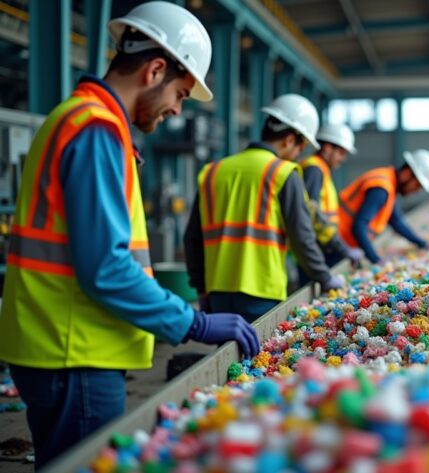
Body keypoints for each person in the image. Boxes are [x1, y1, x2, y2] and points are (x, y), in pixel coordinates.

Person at [0, 3, 260, 468]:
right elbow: (107, 267)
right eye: (180, 93)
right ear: (155, 70)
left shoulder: (73, 117)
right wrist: (194, 323)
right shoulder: (96, 130)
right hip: (76, 348)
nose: (176, 109)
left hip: (56, 342)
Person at [184, 94, 344, 322]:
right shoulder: (284, 173)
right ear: (289, 139)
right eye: (301, 147)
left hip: (217, 291)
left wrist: (200, 287)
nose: (299, 154)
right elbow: (302, 237)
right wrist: (324, 276)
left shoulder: (212, 171)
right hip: (263, 293)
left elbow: (192, 238)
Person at [337, 150, 429, 264]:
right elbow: (359, 226)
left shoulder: (388, 184)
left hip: (344, 244)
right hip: (338, 244)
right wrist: (376, 259)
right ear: (407, 174)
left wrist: (422, 243)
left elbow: (396, 222)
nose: (416, 191)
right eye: (417, 185)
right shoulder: (381, 189)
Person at [297, 123, 365, 284]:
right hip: (316, 249)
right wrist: (342, 247)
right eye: (341, 152)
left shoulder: (320, 169)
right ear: (327, 148)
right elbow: (311, 212)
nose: (342, 159)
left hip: (322, 246)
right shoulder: (314, 170)